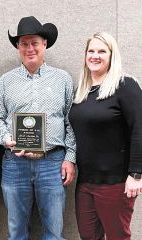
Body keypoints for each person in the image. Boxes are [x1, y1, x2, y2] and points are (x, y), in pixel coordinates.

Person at [0, 16, 76, 240]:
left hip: (52, 163)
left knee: (54, 232)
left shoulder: (63, 79)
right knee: (16, 231)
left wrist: (70, 158)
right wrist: (7, 138)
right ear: (18, 47)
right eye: (24, 43)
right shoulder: (5, 82)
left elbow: (71, 121)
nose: (30, 48)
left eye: (34, 42)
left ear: (44, 43)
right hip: (14, 164)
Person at [69, 32, 142, 240]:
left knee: (118, 236)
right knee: (88, 236)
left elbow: (139, 128)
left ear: (112, 55)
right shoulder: (81, 92)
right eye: (91, 51)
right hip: (85, 182)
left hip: (115, 182)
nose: (95, 56)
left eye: (102, 51)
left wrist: (136, 173)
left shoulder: (125, 86)